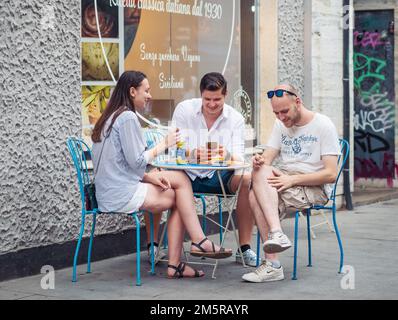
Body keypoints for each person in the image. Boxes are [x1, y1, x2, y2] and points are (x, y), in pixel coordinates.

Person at [91, 71, 232, 279]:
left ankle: (189, 251)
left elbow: (123, 165)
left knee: (179, 188)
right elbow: (138, 161)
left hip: (106, 192)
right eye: (146, 91)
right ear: (132, 91)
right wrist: (164, 144)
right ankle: (191, 249)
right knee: (179, 194)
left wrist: (150, 177)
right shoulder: (127, 118)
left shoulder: (109, 117)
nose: (149, 95)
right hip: (121, 194)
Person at [242, 84, 340, 282]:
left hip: (313, 185)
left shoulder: (323, 124)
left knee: (255, 195)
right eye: (276, 113)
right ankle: (277, 235)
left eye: (284, 111)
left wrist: (292, 180)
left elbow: (331, 174)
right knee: (257, 173)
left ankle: (272, 265)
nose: (281, 117)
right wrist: (259, 161)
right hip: (286, 178)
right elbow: (268, 158)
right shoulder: (281, 124)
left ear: (298, 102)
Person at [171, 72, 258, 267]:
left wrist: (225, 155)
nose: (211, 104)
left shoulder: (235, 118)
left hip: (220, 178)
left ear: (225, 95)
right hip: (186, 176)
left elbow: (239, 159)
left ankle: (244, 249)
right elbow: (173, 150)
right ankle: (156, 247)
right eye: (207, 99)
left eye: (217, 99)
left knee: (246, 177)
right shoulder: (184, 110)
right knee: (159, 176)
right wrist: (193, 155)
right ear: (200, 94)